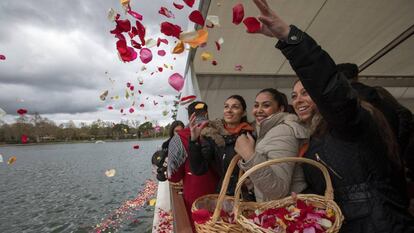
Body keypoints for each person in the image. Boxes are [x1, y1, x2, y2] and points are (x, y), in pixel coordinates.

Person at [249, 0, 414, 231]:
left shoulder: (347, 122)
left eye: (306, 92)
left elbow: (329, 89)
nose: (298, 100)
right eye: (294, 96)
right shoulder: (315, 136)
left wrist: (290, 38)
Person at [234, 88, 308, 202]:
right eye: (256, 105)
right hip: (276, 209)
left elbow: (278, 191)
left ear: (280, 109)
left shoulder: (283, 131)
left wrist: (249, 155)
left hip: (285, 212)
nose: (258, 110)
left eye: (266, 105)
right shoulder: (267, 131)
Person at [188, 95, 254, 197]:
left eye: (235, 107)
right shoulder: (214, 137)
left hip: (251, 196)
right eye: (226, 107)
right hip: (226, 196)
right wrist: (194, 140)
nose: (229, 110)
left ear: (244, 112)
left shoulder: (252, 135)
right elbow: (198, 169)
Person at [167, 101, 218, 230]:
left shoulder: (178, 138)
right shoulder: (220, 132)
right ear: (207, 114)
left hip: (195, 196)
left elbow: (173, 177)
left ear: (189, 116)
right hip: (221, 193)